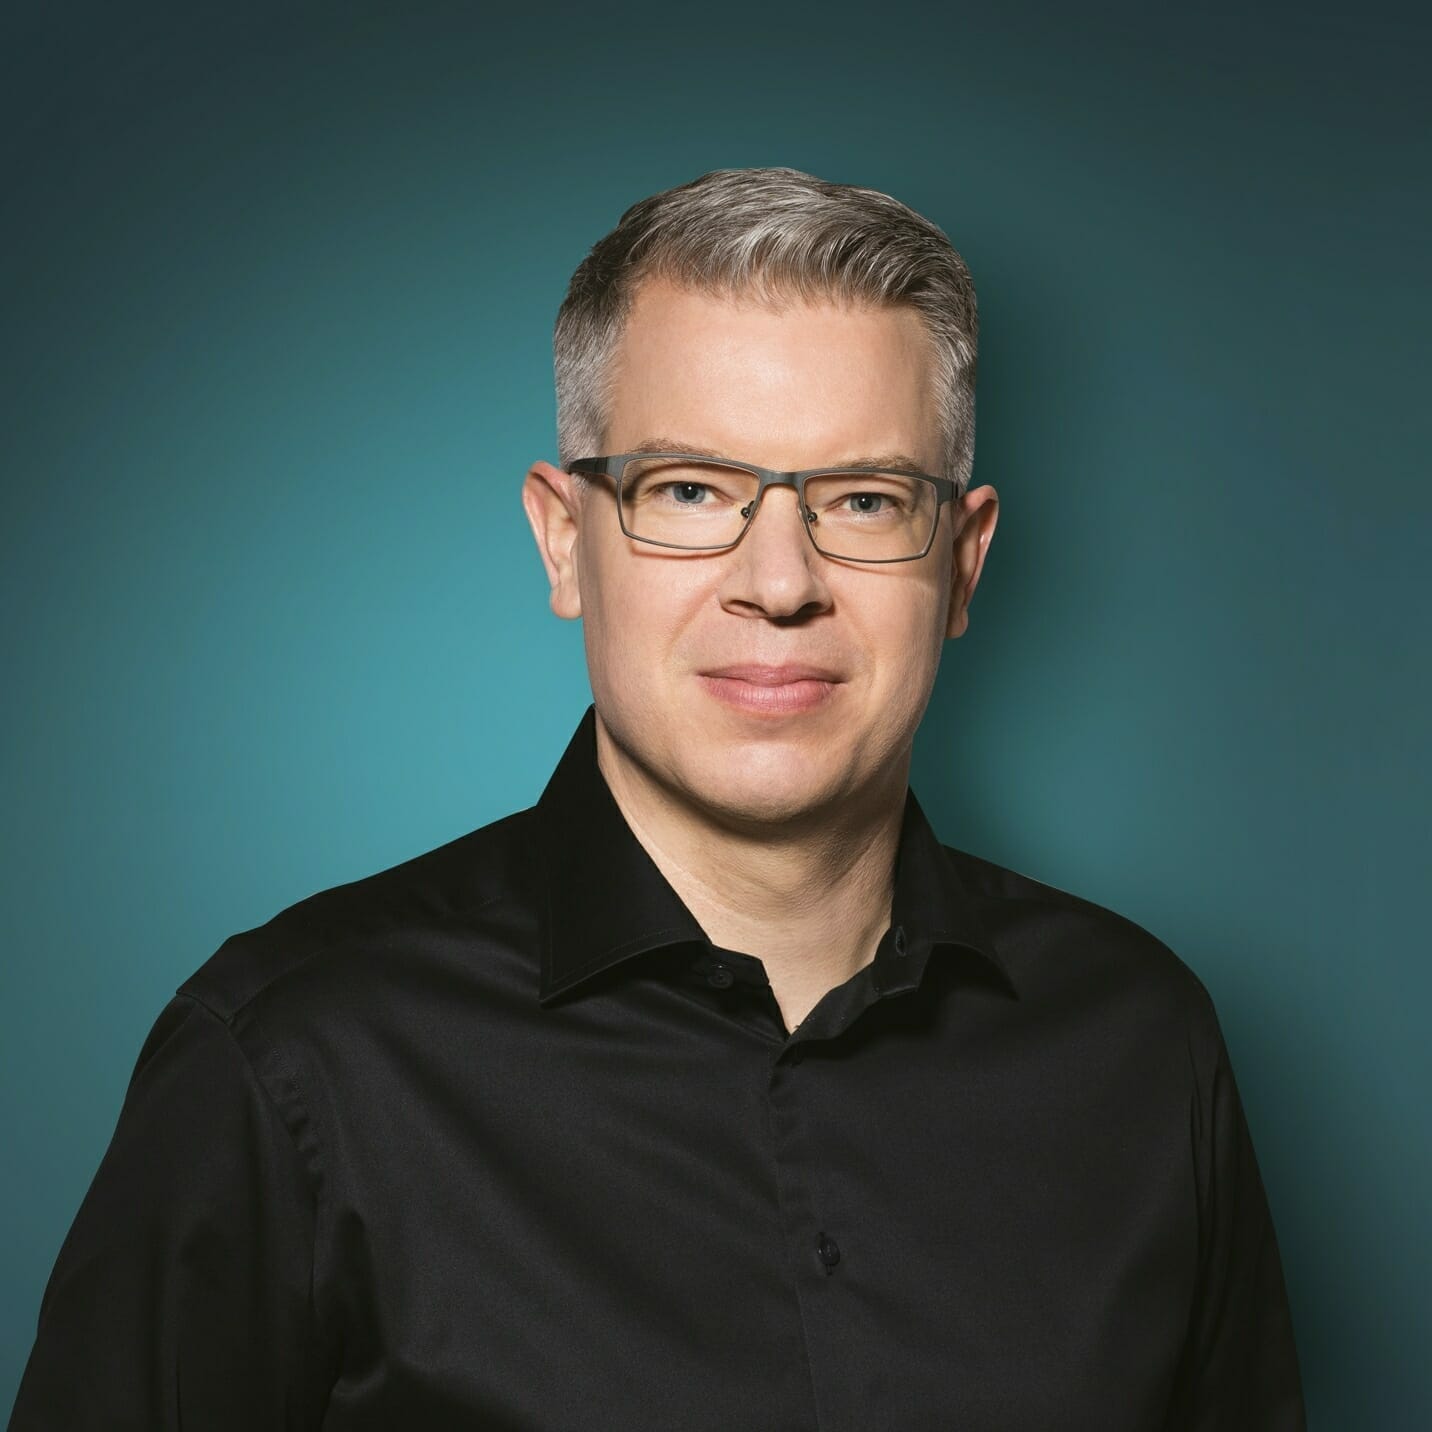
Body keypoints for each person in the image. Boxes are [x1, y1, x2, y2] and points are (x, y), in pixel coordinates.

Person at [8, 166, 1306, 1430]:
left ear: (962, 564)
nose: (780, 582)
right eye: (692, 491)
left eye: (864, 498)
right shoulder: (294, 1059)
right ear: (565, 539)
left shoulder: (1142, 1047)